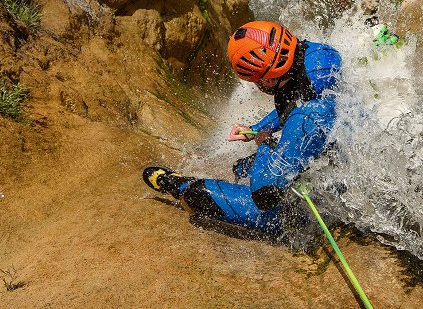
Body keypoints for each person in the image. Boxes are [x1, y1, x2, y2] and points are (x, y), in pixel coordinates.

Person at [143, 21, 342, 235]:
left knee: (201, 194)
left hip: (312, 205)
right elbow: (295, 106)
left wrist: (264, 144)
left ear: (269, 77)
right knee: (242, 167)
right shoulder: (318, 56)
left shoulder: (306, 118)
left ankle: (178, 185)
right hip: (333, 159)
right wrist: (257, 127)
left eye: (257, 81)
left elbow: (265, 195)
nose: (257, 86)